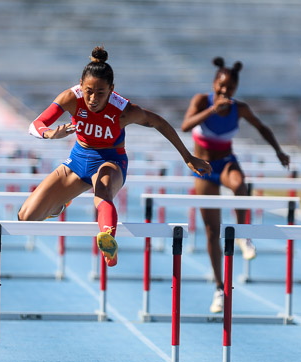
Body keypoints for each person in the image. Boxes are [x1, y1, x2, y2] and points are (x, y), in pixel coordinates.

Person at [18, 46, 211, 267]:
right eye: (89, 91)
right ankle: (60, 204)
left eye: (100, 93)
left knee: (103, 190)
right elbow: (35, 125)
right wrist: (50, 133)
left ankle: (109, 242)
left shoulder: (123, 110)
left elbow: (159, 122)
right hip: (78, 159)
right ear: (81, 84)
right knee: (26, 217)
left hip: (111, 161)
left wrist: (188, 157)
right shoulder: (71, 98)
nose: (93, 98)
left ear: (111, 90)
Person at [181, 57, 290, 313]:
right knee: (211, 231)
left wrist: (278, 151)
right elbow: (186, 126)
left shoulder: (239, 108)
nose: (224, 92)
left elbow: (262, 128)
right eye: (220, 87)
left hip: (227, 163)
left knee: (241, 185)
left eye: (229, 89)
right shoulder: (201, 100)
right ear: (213, 84)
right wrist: (212, 110)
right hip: (204, 170)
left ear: (235, 89)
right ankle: (219, 288)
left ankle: (244, 236)